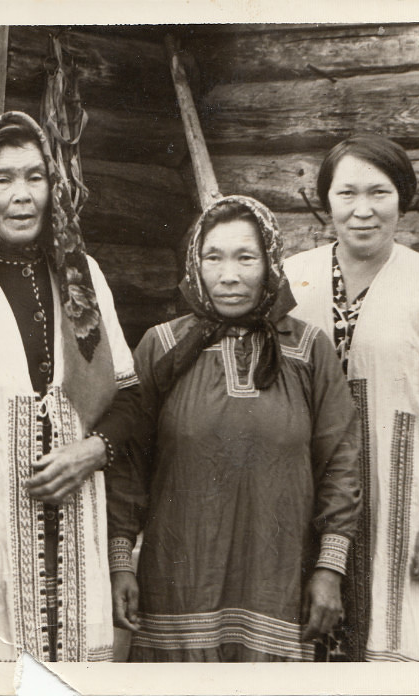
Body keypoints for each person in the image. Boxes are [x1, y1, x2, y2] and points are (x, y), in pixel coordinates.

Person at [0, 111, 139, 662]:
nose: (22, 195)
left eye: (35, 177)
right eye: (3, 179)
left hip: (78, 525)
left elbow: (130, 399)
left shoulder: (81, 273)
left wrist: (93, 451)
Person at [108, 195, 362, 662]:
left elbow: (341, 464)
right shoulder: (160, 346)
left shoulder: (310, 349)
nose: (229, 275)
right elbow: (127, 466)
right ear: (195, 264)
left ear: (271, 263)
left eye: (246, 258)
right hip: (177, 587)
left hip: (278, 586)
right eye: (214, 258)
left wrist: (330, 569)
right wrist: (121, 562)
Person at [284, 134, 419, 662]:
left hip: (405, 503)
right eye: (346, 193)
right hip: (302, 499)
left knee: (399, 649)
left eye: (379, 192)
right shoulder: (292, 279)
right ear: (326, 200)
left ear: (403, 197)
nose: (363, 210)